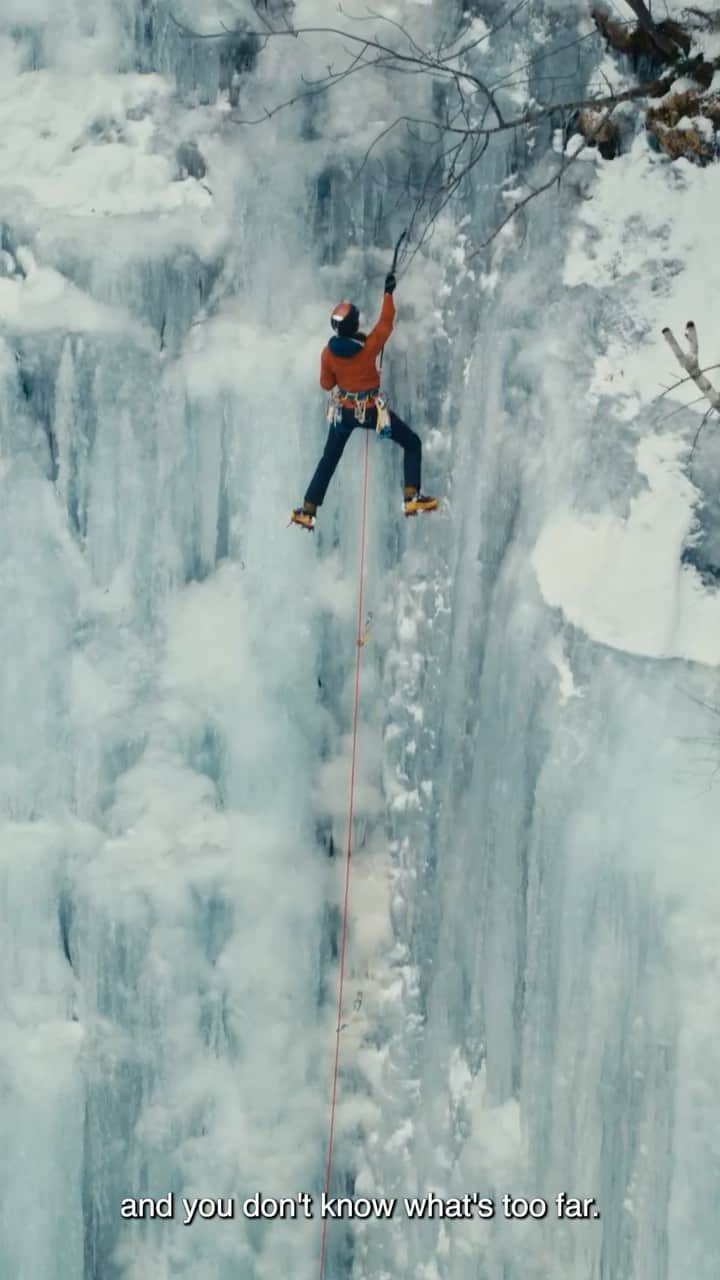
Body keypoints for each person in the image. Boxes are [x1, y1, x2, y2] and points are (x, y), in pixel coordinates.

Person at [290, 272, 438, 530]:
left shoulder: (328, 353)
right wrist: (388, 293)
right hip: (371, 412)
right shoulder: (368, 348)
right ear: (353, 326)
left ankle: (308, 509)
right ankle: (411, 496)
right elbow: (385, 323)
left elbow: (326, 384)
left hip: (344, 414)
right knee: (411, 442)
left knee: (329, 459)